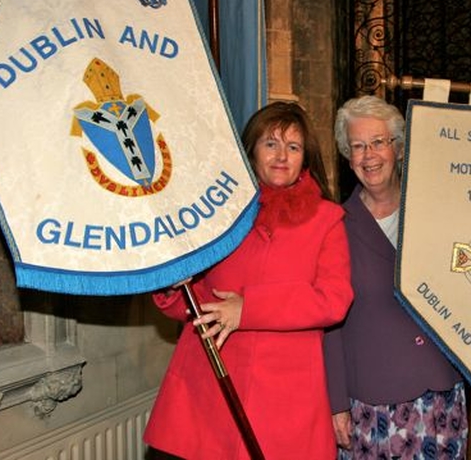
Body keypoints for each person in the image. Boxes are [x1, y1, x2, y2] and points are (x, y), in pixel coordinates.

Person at [144, 102, 354, 459]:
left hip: (288, 396)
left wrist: (248, 309)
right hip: (211, 385)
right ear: (251, 150)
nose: (281, 156)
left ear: (306, 158)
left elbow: (333, 300)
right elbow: (193, 302)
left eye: (293, 146)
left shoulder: (327, 219)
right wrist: (170, 282)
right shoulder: (217, 213)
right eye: (270, 143)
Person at [324, 95, 468, 459]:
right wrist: (336, 402)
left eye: (377, 143)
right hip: (371, 407)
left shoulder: (436, 214)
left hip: (438, 395)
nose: (368, 155)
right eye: (357, 146)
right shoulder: (333, 225)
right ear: (348, 156)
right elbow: (328, 322)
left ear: (399, 149)